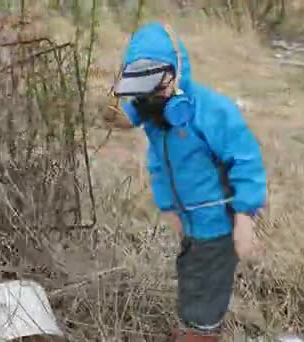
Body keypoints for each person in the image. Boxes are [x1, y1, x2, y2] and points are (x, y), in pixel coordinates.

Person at [104, 21, 267, 341]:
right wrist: (168, 207)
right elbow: (128, 120)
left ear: (177, 72)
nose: (152, 100)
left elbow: (246, 162)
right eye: (143, 91)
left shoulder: (213, 110)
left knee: (208, 287)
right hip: (188, 220)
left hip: (218, 221)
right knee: (191, 273)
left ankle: (200, 333)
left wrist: (245, 220)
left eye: (159, 88)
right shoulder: (152, 109)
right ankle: (191, 327)